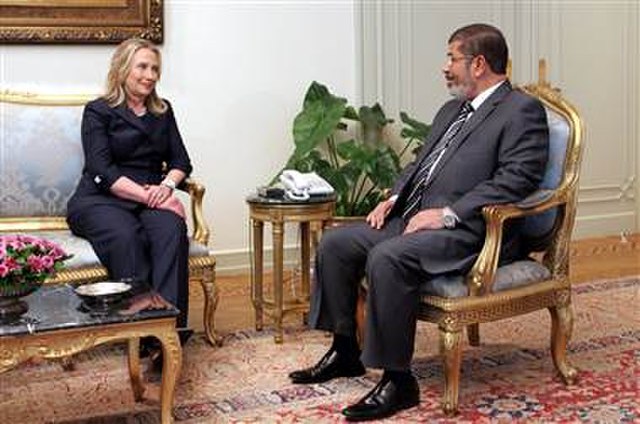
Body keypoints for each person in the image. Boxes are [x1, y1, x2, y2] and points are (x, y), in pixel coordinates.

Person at [288, 23, 549, 421]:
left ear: (478, 64)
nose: (445, 67)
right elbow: (420, 163)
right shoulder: (452, 110)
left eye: (452, 58)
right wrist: (393, 198)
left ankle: (398, 381)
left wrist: (447, 214)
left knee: (388, 258)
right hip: (414, 218)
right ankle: (345, 350)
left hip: (471, 230)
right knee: (336, 244)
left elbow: (517, 179)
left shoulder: (521, 110)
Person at [67, 38, 193, 366]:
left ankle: (170, 330)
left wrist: (166, 187)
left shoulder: (162, 111)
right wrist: (151, 195)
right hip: (100, 200)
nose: (149, 75)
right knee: (127, 235)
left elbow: (181, 161)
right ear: (123, 69)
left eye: (155, 68)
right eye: (142, 66)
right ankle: (142, 330)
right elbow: (102, 169)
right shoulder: (98, 110)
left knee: (170, 227)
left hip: (150, 196)